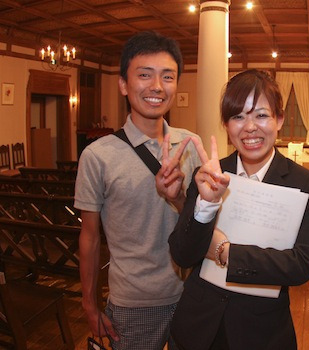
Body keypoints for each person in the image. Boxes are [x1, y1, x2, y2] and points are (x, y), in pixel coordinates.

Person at [168, 69, 309, 350]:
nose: (249, 127)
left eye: (261, 115)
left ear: (279, 119)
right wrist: (205, 206)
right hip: (198, 329)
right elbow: (182, 253)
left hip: (262, 332)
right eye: (238, 116)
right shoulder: (210, 174)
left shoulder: (304, 183)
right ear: (227, 125)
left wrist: (224, 251)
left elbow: (301, 264)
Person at [75, 31, 201, 349]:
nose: (156, 86)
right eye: (144, 74)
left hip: (195, 295)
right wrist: (89, 305)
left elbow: (203, 221)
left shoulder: (191, 145)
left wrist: (179, 196)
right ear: (123, 84)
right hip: (134, 304)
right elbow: (89, 236)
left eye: (167, 76)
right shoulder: (98, 155)